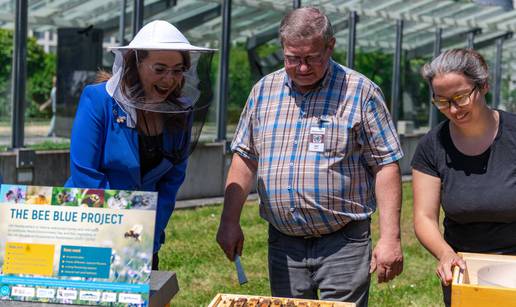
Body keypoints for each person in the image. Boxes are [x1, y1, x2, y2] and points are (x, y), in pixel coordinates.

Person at [216, 7, 404, 306]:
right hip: (284, 242)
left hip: (343, 241)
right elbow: (245, 158)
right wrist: (228, 221)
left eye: (312, 58)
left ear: (329, 47)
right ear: (282, 48)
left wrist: (390, 237)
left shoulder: (360, 92)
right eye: (293, 58)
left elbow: (385, 164)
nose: (302, 68)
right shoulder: (264, 91)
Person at [65, 20, 215, 270]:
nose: (170, 79)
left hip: (141, 237)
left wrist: (148, 235)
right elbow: (85, 175)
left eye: (178, 70)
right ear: (135, 63)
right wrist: (121, 229)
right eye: (160, 69)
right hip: (90, 230)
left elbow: (171, 182)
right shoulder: (99, 100)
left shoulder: (181, 111)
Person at [411, 48, 516, 306]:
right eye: (442, 101)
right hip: (464, 267)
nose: (453, 109)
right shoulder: (431, 146)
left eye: (460, 97)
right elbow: (424, 217)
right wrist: (446, 254)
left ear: (484, 86)